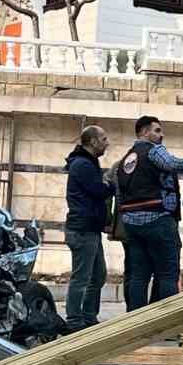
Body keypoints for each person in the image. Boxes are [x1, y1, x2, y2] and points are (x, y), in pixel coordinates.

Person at [114, 116, 183, 311]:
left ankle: (135, 323)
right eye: (157, 130)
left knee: (138, 275)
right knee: (167, 273)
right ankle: (169, 323)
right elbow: (176, 164)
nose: (161, 135)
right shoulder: (153, 150)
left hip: (132, 224)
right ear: (144, 132)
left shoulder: (127, 158)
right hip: (157, 219)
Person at [62, 125, 114, 332]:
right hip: (82, 230)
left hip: (90, 229)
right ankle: (74, 321)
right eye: (103, 138)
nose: (106, 142)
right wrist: (112, 185)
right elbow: (99, 191)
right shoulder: (82, 165)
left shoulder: (87, 163)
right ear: (93, 141)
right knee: (82, 278)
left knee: (98, 275)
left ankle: (88, 317)